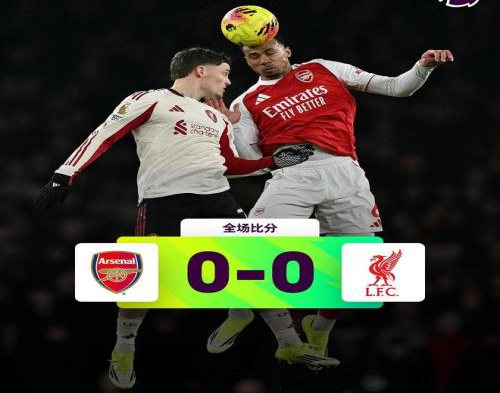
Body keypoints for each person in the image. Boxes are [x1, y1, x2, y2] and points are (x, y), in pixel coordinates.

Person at [34, 47, 324, 389]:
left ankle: (288, 342)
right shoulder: (151, 100)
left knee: (254, 263)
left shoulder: (216, 117)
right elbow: (104, 133)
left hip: (217, 196)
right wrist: (65, 174)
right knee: (146, 278)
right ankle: (124, 348)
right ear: (200, 71)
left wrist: (274, 162)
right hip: (164, 199)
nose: (228, 82)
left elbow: (230, 166)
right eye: (224, 73)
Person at [205, 36, 454, 365]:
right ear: (248, 62)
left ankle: (319, 327)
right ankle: (267, 328)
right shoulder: (246, 102)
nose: (263, 60)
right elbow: (250, 164)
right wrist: (230, 129)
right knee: (254, 250)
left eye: (269, 52)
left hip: (344, 172)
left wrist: (423, 67)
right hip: (291, 175)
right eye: (254, 56)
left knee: (361, 271)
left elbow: (397, 87)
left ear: (286, 51)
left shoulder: (324, 68)